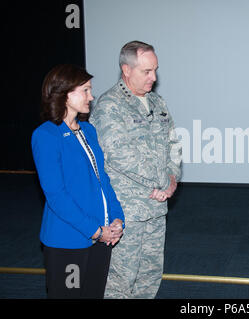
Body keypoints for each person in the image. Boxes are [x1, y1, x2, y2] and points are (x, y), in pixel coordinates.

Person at [89, 40, 182, 298]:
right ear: (126, 70)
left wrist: (172, 179)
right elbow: (121, 156)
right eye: (147, 71)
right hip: (127, 210)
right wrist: (163, 183)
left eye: (155, 70)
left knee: (150, 276)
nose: (154, 77)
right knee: (120, 281)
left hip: (155, 206)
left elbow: (174, 144)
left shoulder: (157, 103)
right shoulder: (110, 106)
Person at [31, 64, 125, 298]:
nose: (91, 96)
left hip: (101, 240)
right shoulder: (46, 135)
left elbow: (102, 180)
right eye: (85, 90)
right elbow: (56, 196)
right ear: (63, 94)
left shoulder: (88, 130)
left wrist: (117, 218)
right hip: (68, 242)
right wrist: (95, 231)